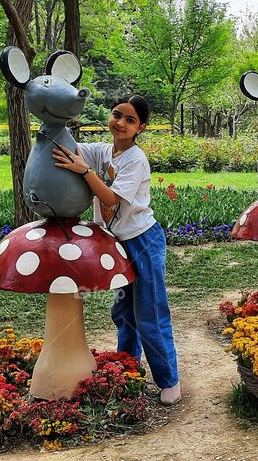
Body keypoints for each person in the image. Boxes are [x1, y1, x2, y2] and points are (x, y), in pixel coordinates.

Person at [51, 95, 181, 406]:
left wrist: (85, 173)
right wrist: (57, 123)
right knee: (123, 311)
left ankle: (169, 380)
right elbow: (70, 149)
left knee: (149, 311)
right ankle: (128, 367)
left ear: (141, 127)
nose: (120, 122)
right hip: (119, 244)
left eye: (130, 120)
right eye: (117, 115)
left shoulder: (135, 159)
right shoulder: (102, 151)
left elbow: (110, 199)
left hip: (143, 242)